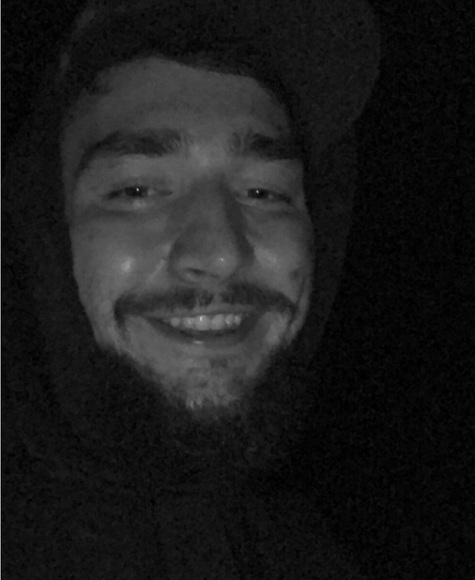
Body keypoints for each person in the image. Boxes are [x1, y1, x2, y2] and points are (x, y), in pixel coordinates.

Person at [2, 0, 381, 577]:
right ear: (42, 231)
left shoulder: (303, 552)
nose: (221, 253)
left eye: (264, 193)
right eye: (136, 191)